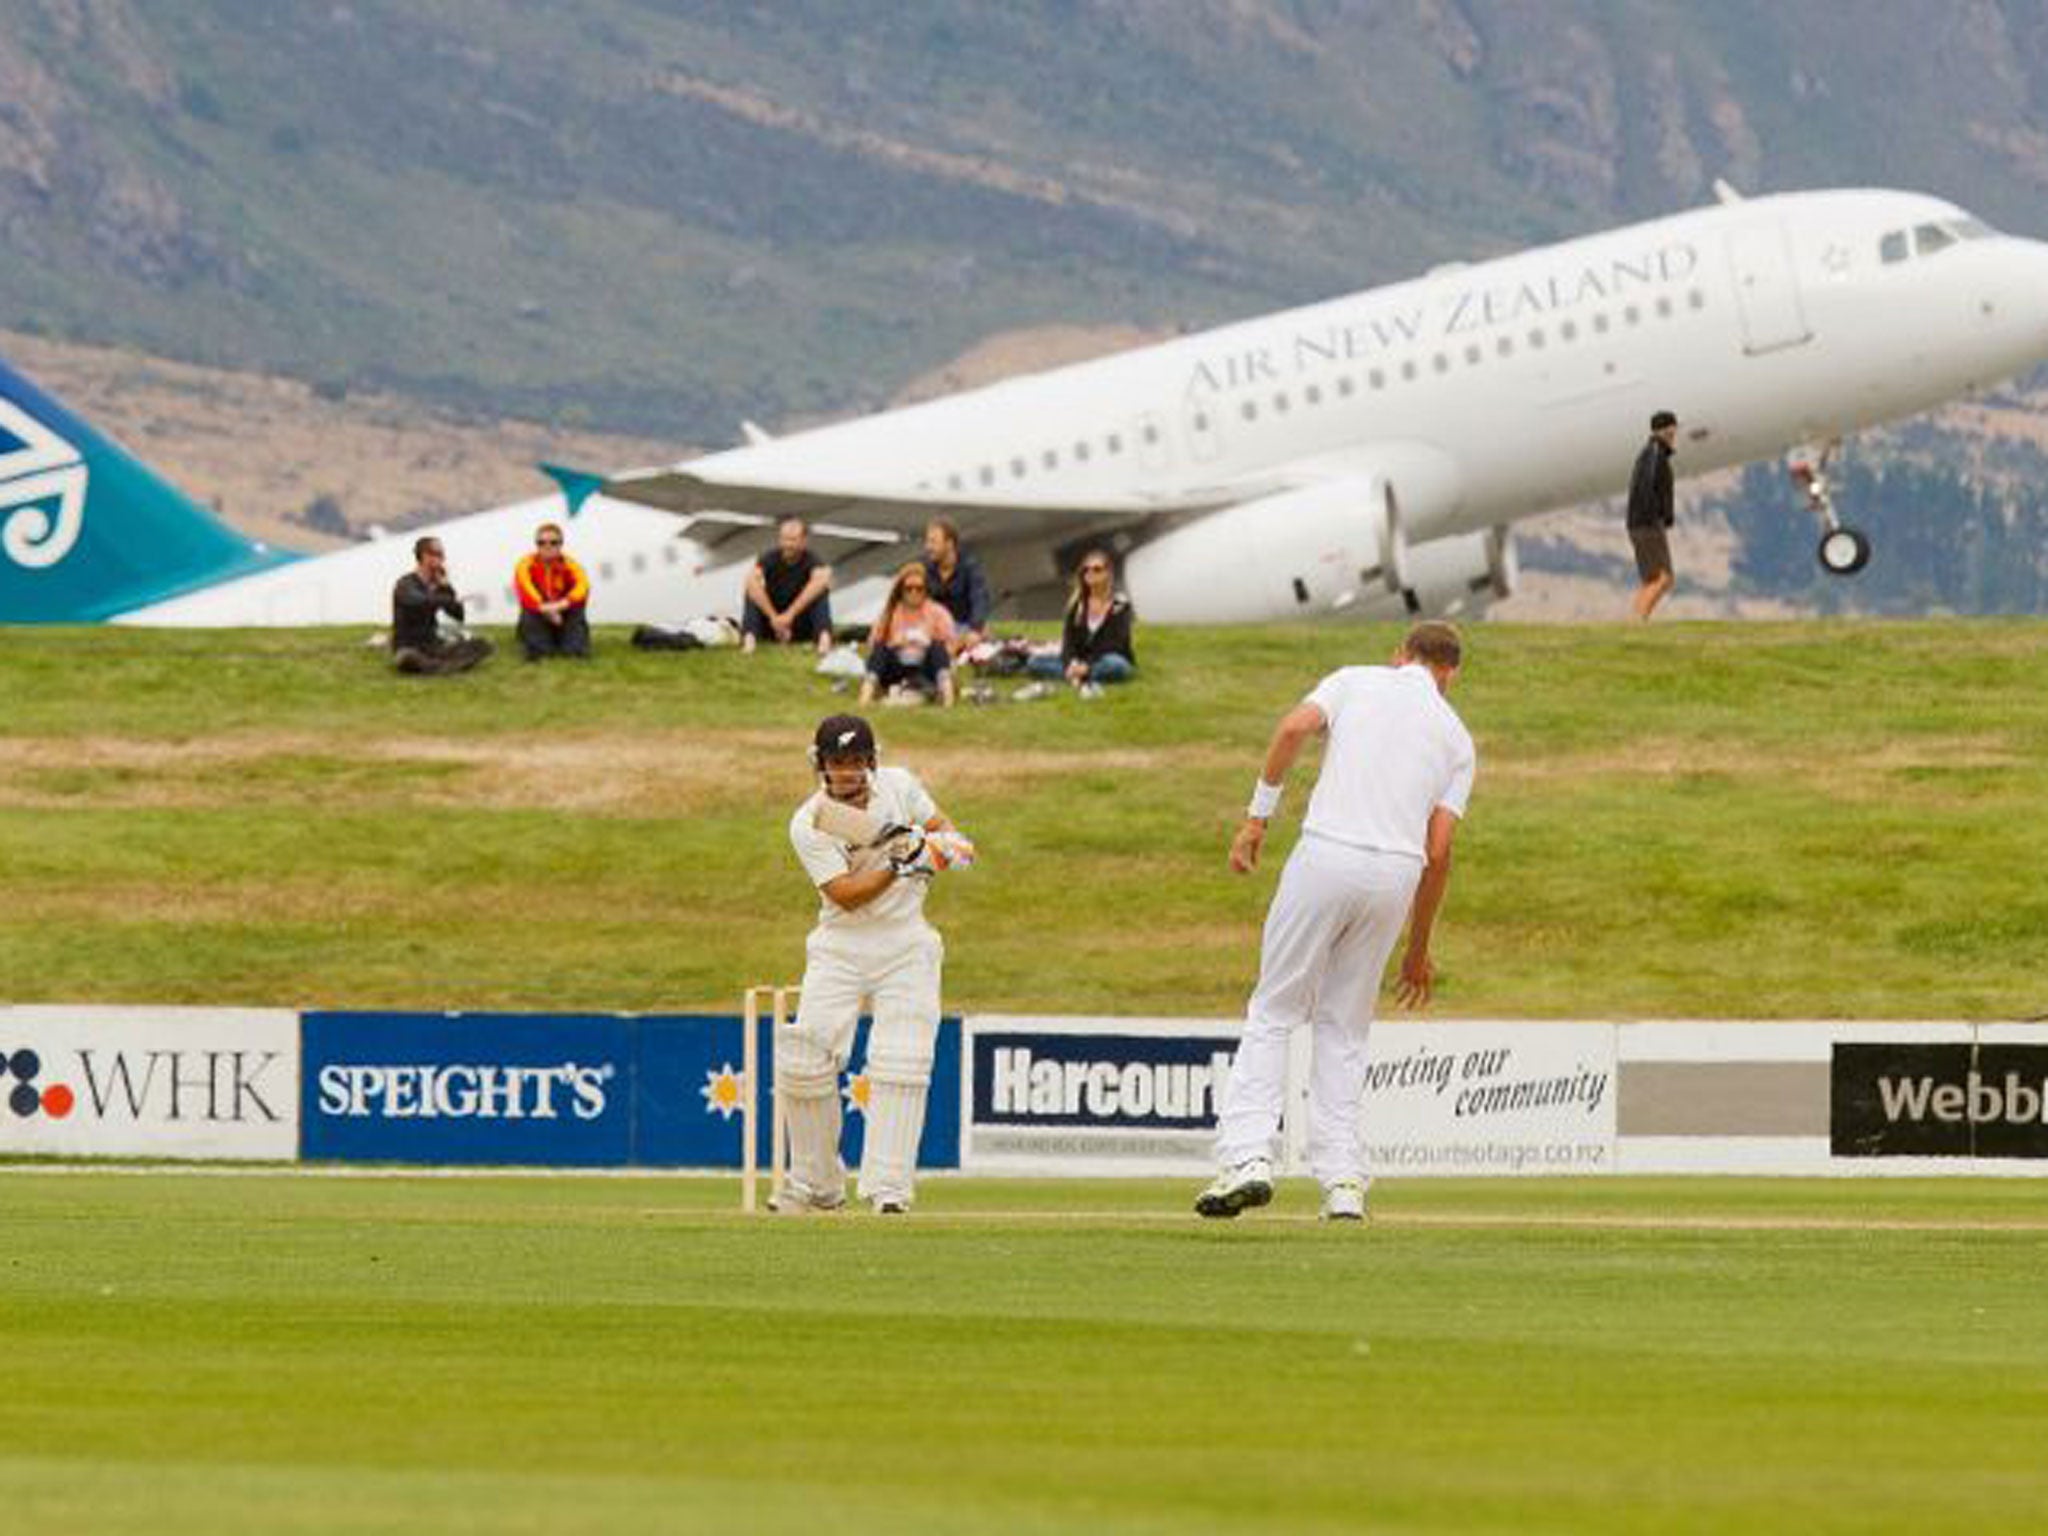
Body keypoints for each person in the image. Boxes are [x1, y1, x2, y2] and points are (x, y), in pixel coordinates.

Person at [1196, 620, 1476, 1225]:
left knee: (1274, 1009)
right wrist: (1418, 950)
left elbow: (1294, 727)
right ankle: (1343, 1181)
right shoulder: (1457, 737)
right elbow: (1441, 849)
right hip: (1395, 875)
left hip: (1327, 853)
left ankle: (1247, 1158)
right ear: (1449, 673)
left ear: (1400, 654)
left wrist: (1256, 820)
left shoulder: (1354, 680)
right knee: (1344, 1028)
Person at [780, 714, 967, 1214]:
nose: (848, 772)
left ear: (872, 761)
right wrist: (899, 862)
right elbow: (846, 897)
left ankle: (890, 1189)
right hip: (840, 945)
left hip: (906, 943)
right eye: (838, 763)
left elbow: (945, 831)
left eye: (858, 761)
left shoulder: (900, 787)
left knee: (902, 1061)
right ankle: (817, 1185)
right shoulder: (810, 820)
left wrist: (944, 847)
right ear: (820, 765)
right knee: (804, 1057)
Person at [1027, 548, 1136, 691]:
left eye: (1097, 569)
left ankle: (1081, 675)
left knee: (1117, 666)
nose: (1090, 573)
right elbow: (1068, 643)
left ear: (1107, 573)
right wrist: (1070, 664)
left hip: (1105, 658)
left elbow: (1114, 644)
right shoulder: (1077, 604)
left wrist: (1087, 666)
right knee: (1034, 662)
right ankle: (1075, 675)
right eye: (1086, 569)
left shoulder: (1120, 605)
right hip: (1078, 660)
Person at [390, 536, 492, 675]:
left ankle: (441, 665)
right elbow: (419, 601)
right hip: (409, 647)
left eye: (442, 555)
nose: (442, 559)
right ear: (425, 556)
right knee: (408, 658)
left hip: (433, 645)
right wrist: (445, 598)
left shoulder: (439, 586)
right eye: (438, 554)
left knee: (483, 644)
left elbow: (458, 616)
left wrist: (446, 587)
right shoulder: (405, 584)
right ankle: (445, 666)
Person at [861, 562, 957, 707]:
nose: (914, 593)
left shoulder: (938, 612)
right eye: (909, 588)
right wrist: (894, 643)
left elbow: (952, 647)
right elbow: (873, 645)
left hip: (925, 666)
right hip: (897, 665)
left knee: (938, 648)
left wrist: (928, 643)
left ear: (926, 589)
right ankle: (865, 697)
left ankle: (948, 700)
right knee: (880, 649)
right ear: (901, 590)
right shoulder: (890, 613)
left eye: (919, 588)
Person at [742, 517, 834, 654]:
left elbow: (822, 580)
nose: (788, 544)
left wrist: (790, 615)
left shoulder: (813, 560)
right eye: (784, 539)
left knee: (821, 591)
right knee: (752, 591)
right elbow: (751, 581)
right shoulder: (769, 557)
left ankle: (824, 641)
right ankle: (749, 640)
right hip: (772, 620)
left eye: (793, 540)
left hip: (799, 622)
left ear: (803, 541)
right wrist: (774, 617)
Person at [1626, 409, 1679, 621]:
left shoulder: (1651, 452)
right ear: (1667, 429)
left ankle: (1635, 619)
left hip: (1641, 522)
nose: (1675, 432)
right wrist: (1657, 517)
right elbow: (1647, 488)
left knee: (1652, 579)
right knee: (1663, 577)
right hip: (1647, 524)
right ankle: (1638, 619)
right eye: (1673, 427)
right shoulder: (1655, 454)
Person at [514, 522, 591, 660]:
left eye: (553, 542)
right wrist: (546, 609)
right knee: (541, 653)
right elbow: (525, 591)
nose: (547, 546)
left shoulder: (571, 565)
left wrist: (559, 606)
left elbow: (583, 587)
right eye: (541, 543)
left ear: (561, 545)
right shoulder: (525, 564)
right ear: (536, 545)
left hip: (564, 612)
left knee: (574, 653)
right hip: (538, 612)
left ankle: (571, 643)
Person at [920, 516, 991, 655]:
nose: (928, 547)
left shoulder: (970, 567)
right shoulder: (924, 568)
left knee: (980, 632)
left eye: (933, 542)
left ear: (949, 543)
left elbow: (980, 599)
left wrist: (976, 630)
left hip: (963, 627)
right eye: (927, 541)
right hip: (935, 628)